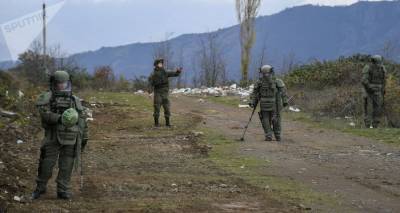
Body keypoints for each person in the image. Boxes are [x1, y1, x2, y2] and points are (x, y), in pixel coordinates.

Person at [32, 70, 88, 200]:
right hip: (52, 136)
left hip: (71, 137)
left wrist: (84, 136)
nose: (62, 86)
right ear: (54, 83)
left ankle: (63, 190)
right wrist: (60, 118)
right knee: (46, 164)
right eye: (59, 83)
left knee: (67, 165)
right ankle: (40, 188)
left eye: (65, 83)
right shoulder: (48, 97)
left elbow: (82, 120)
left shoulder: (74, 99)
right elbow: (44, 114)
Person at [250, 65, 289, 141]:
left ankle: (270, 135)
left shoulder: (259, 82)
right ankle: (276, 135)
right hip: (274, 105)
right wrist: (285, 101)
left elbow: (254, 93)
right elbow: (283, 92)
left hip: (266, 104)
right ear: (271, 71)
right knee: (274, 119)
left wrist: (252, 102)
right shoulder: (277, 81)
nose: (265, 75)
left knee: (266, 119)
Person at [148, 58, 182, 127]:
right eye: (159, 63)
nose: (161, 64)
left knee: (167, 107)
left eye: (161, 63)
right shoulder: (153, 74)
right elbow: (150, 84)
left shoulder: (165, 72)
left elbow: (174, 74)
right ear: (156, 65)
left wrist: (178, 71)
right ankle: (156, 123)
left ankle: (167, 123)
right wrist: (150, 92)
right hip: (157, 92)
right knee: (157, 107)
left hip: (165, 92)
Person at [362, 55, 387, 128]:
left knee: (378, 108)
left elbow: (384, 80)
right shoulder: (368, 68)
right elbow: (364, 80)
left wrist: (383, 89)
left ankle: (375, 124)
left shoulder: (382, 68)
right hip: (368, 90)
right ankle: (368, 124)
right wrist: (370, 87)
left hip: (378, 90)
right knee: (368, 107)